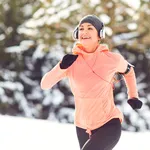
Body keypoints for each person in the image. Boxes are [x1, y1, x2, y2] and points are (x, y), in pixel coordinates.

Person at [40, 15, 143, 150]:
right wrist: (61, 67)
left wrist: (133, 95)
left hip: (109, 123)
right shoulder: (71, 62)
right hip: (82, 126)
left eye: (90, 28)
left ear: (100, 35)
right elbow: (45, 84)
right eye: (81, 28)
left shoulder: (112, 59)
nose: (84, 32)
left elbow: (129, 72)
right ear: (77, 34)